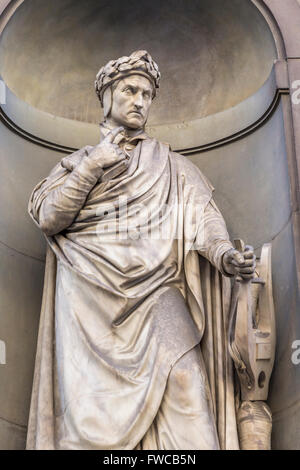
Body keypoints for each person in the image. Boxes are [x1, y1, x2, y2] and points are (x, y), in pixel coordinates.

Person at [27, 50, 255, 450]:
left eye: (147, 94)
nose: (139, 101)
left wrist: (223, 254)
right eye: (130, 90)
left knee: (186, 379)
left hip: (159, 293)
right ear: (107, 97)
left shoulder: (172, 166)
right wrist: (93, 165)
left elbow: (201, 216)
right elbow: (50, 217)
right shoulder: (76, 163)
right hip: (89, 297)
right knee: (89, 407)